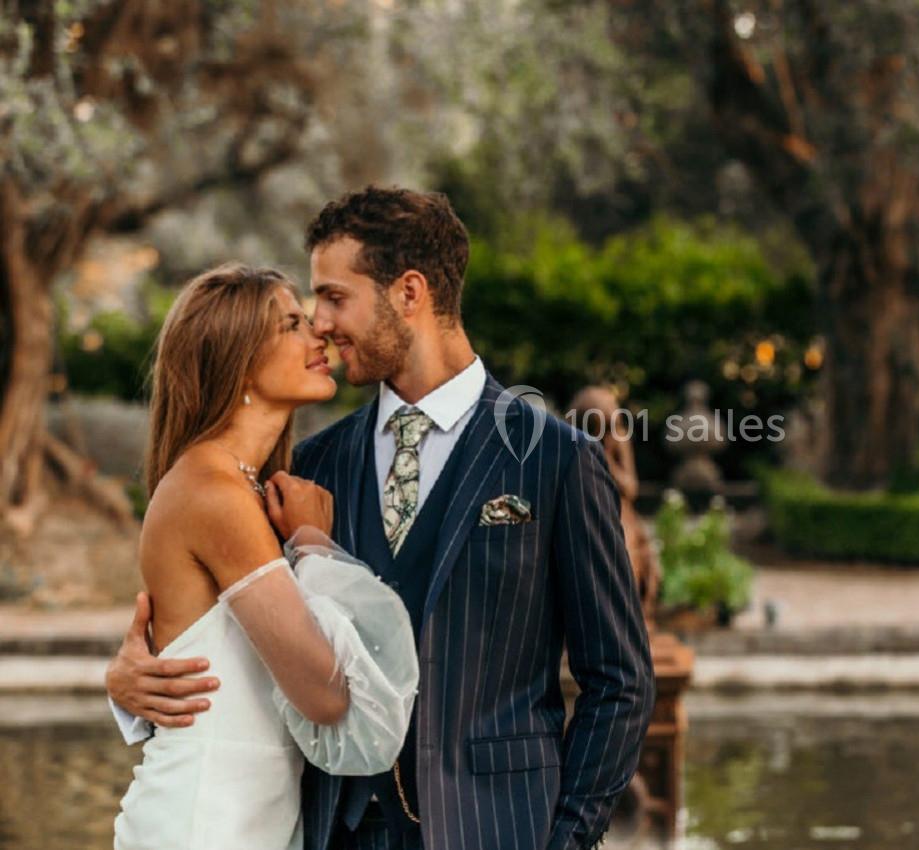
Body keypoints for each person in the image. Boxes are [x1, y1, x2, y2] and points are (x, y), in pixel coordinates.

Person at [106, 187, 656, 850]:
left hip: (497, 830)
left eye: (335, 297)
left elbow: (619, 681)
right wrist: (130, 684)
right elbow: (219, 626)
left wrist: (566, 840)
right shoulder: (308, 470)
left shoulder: (556, 460)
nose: (321, 325)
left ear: (410, 293)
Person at [111, 264, 420, 850]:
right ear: (239, 359)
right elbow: (325, 696)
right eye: (292, 326)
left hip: (256, 815)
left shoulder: (252, 487)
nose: (318, 337)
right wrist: (310, 543)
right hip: (205, 819)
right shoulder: (213, 492)